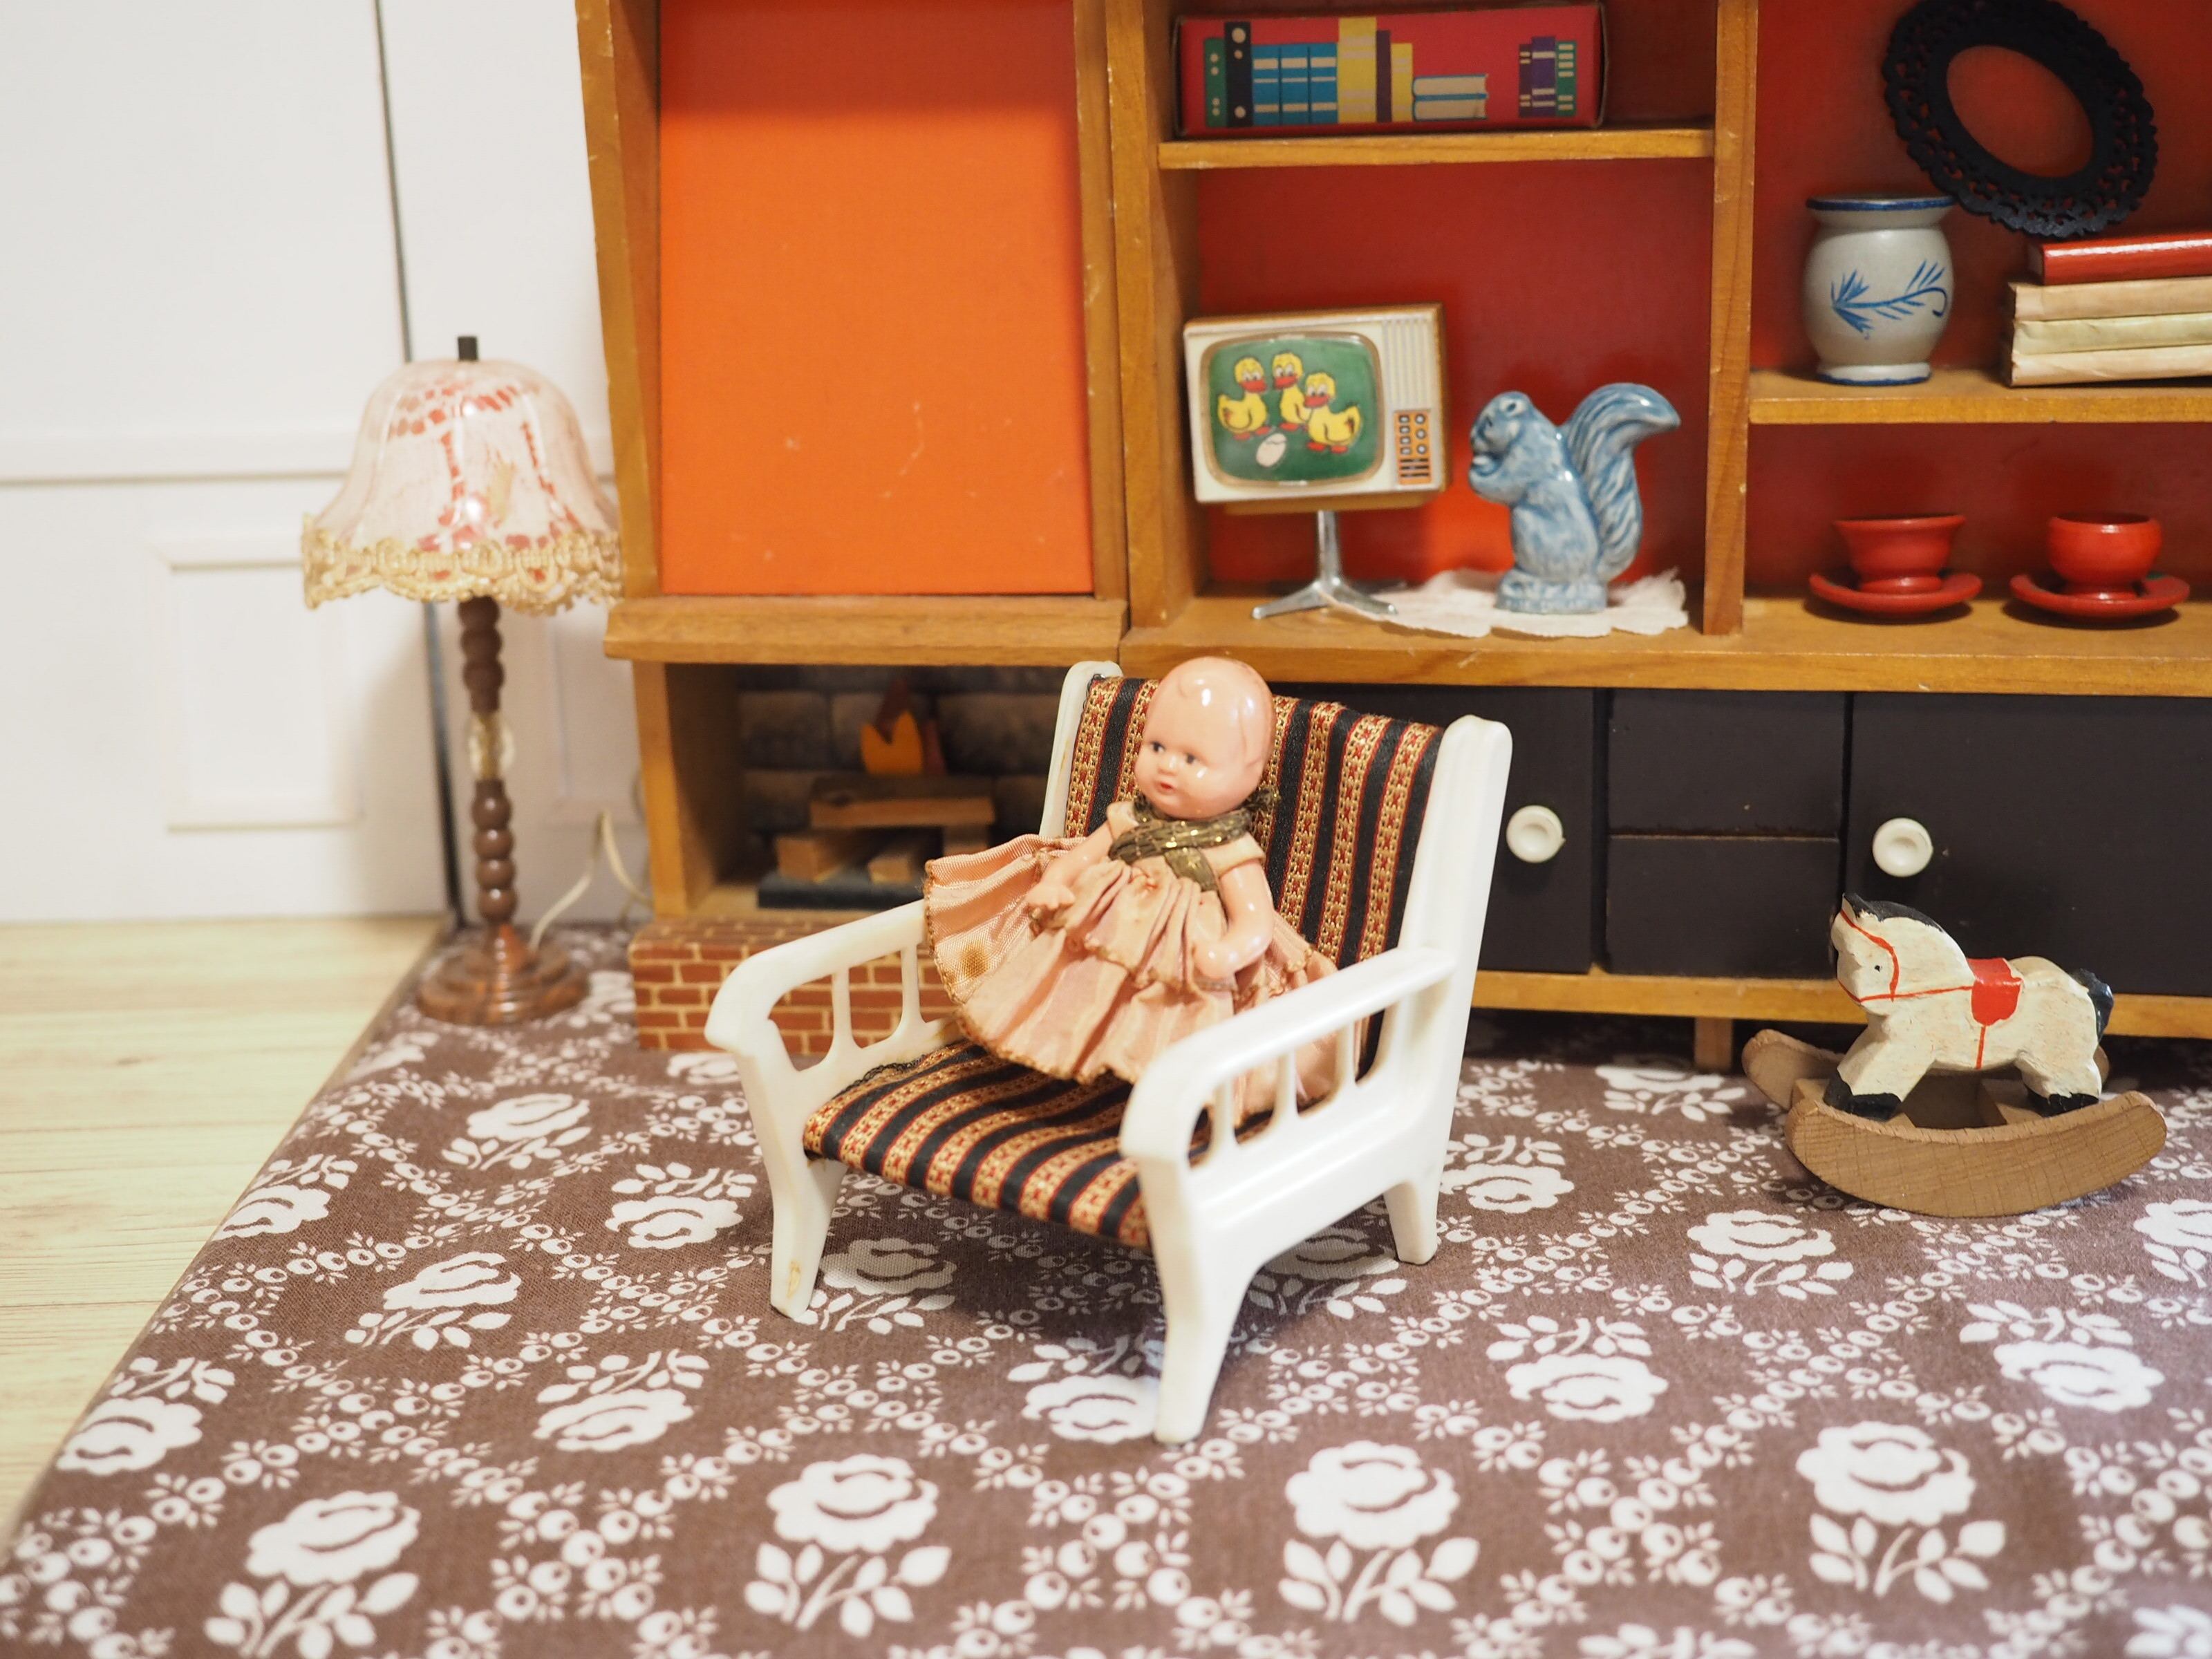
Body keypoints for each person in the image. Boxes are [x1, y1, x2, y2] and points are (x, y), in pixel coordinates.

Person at [924, 656, 1337, 1111]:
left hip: (1182, 956)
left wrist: (1230, 951)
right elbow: (1084, 857)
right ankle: (1076, 1044)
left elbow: (1255, 919)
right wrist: (1056, 880)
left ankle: (1160, 1077)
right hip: (1103, 933)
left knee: (1171, 1014)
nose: (1168, 767)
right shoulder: (1131, 818)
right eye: (1156, 746)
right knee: (1072, 981)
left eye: (1192, 759)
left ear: (1250, 776)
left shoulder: (1228, 846)